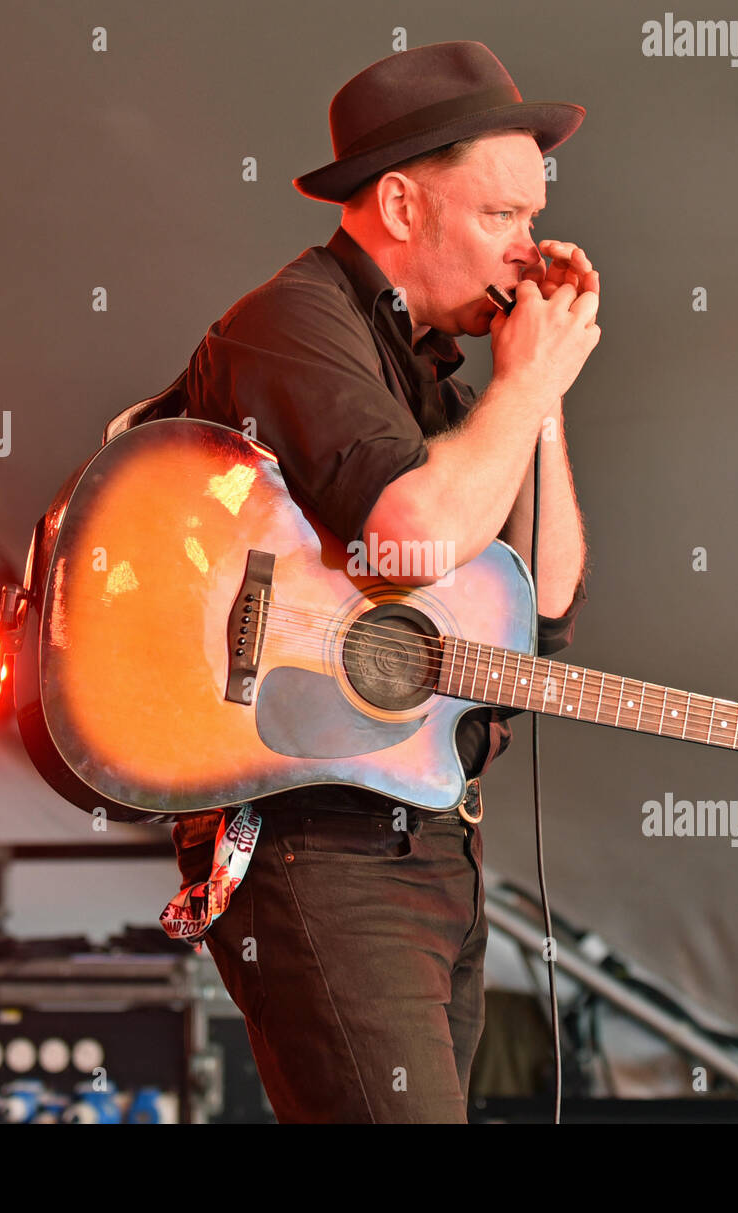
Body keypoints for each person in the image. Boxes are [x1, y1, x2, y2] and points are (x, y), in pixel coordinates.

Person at [160, 40, 602, 1123]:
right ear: (401, 206)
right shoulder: (292, 321)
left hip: (430, 834)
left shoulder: (443, 378)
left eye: (533, 218)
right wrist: (527, 379)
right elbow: (412, 534)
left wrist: (532, 397)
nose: (529, 248)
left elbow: (539, 606)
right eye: (502, 216)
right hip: (316, 838)